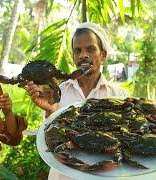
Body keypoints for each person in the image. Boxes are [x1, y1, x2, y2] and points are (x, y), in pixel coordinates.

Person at [27, 22, 129, 179]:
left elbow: (126, 141)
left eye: (90, 49)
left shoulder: (120, 96)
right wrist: (51, 111)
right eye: (77, 50)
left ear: (103, 54)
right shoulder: (58, 92)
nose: (83, 55)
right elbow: (49, 140)